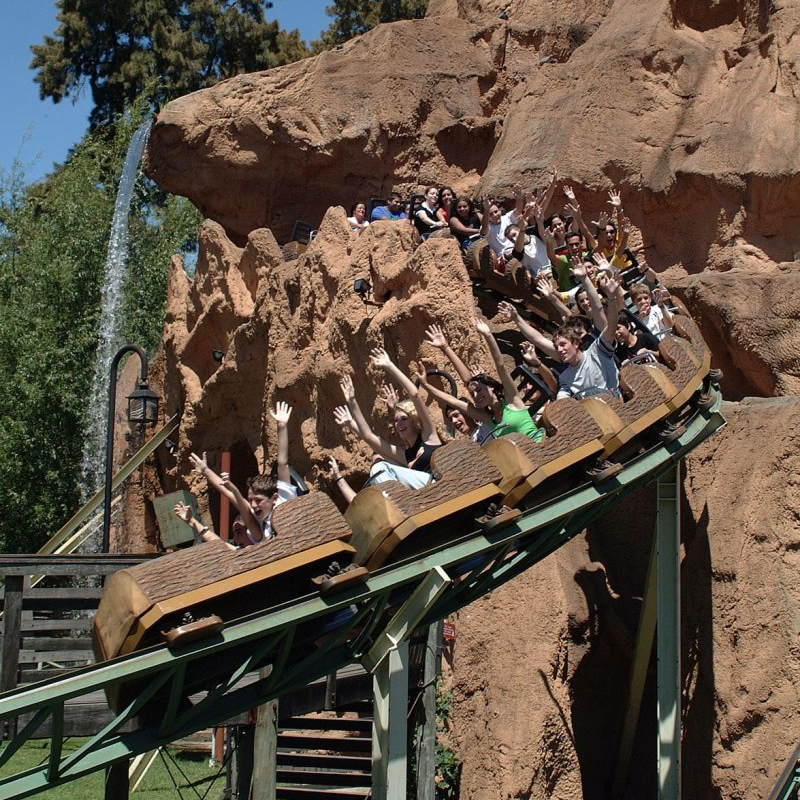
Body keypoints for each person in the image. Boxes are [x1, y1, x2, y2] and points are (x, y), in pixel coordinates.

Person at [333, 348, 443, 489]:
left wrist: (389, 365)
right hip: (426, 492)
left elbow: (414, 395)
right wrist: (352, 401)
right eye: (396, 420)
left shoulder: (429, 436)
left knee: (381, 468)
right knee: (378, 471)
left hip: (438, 481)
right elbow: (368, 436)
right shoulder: (405, 455)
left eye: (403, 419)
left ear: (414, 420)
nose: (399, 424)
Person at [189, 401, 297, 543]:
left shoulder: (284, 500)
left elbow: (282, 464)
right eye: (251, 500)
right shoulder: (259, 525)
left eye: (258, 500)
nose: (253, 505)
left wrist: (282, 426)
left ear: (274, 498)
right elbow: (231, 495)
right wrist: (205, 470)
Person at [553, 276, 625, 399]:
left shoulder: (597, 350)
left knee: (593, 394)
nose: (559, 350)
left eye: (563, 344)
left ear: (576, 343)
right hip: (594, 409)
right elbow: (562, 398)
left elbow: (612, 325)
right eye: (556, 347)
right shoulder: (565, 378)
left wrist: (611, 297)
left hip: (616, 398)